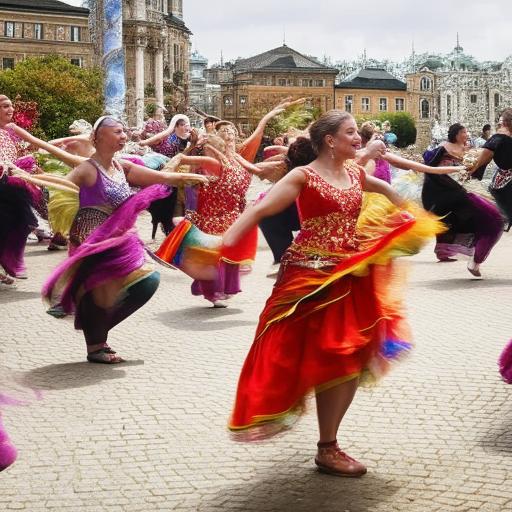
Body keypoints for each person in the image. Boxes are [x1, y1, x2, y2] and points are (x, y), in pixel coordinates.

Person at [223, 110, 452, 476]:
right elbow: (261, 208)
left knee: (349, 357)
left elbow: (388, 190)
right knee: (314, 356)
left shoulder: (354, 173)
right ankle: (327, 446)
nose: (358, 138)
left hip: (349, 274)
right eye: (350, 133)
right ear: (330, 140)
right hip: (309, 279)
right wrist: (226, 243)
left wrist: (408, 215)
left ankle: (328, 445)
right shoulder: (303, 175)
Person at [42, 116, 207, 363]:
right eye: (117, 132)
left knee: (144, 282)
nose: (124, 136)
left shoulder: (122, 167)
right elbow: (59, 190)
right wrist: (29, 178)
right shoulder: (87, 169)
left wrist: (187, 178)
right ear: (98, 138)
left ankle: (97, 335)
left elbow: (161, 177)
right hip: (94, 243)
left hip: (119, 241)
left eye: (124, 132)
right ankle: (95, 343)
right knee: (103, 294)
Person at [155, 133, 272, 307]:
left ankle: (216, 292)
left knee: (208, 258)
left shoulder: (214, 162)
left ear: (211, 149)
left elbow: (182, 159)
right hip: (231, 219)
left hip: (211, 220)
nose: (202, 154)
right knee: (220, 259)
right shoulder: (237, 161)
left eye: (204, 150)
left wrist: (165, 172)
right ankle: (220, 291)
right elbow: (258, 170)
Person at [422, 122, 504, 276]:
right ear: (457, 134)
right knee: (454, 221)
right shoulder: (444, 148)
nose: (467, 135)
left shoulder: (467, 149)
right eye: (465, 132)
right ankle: (454, 254)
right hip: (446, 193)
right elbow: (431, 169)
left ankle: (452, 252)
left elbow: (473, 170)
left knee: (463, 221)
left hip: (461, 191)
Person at [471, 109, 512, 232]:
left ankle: (504, 218)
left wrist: (472, 172)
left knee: (493, 193)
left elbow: (482, 160)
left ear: (503, 122)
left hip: (506, 182)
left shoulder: (497, 138)